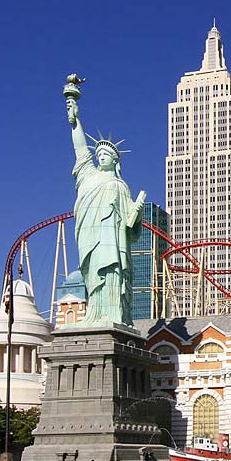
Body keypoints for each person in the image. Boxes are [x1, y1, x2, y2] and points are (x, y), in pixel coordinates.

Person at [66, 88, 144, 326]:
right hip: (91, 239)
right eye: (98, 153)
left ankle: (113, 316)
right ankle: (94, 315)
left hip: (113, 242)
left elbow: (131, 229)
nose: (100, 157)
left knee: (111, 275)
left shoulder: (121, 186)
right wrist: (75, 119)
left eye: (106, 154)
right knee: (92, 276)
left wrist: (137, 213)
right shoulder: (88, 176)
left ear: (115, 160)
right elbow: (80, 149)